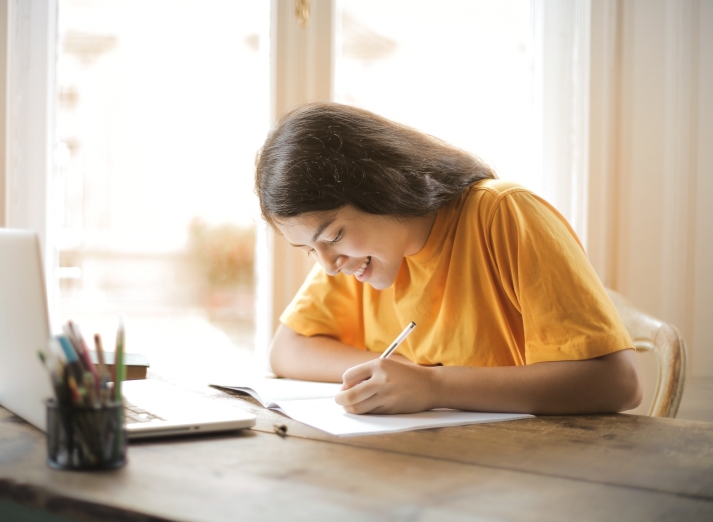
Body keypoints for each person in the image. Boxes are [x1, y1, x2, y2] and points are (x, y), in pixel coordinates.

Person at [254, 102, 642, 416]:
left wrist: (434, 386)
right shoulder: (355, 258)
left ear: (382, 187)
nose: (327, 265)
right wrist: (395, 374)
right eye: (310, 250)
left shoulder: (503, 214)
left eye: (334, 236)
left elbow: (618, 383)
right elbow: (287, 350)